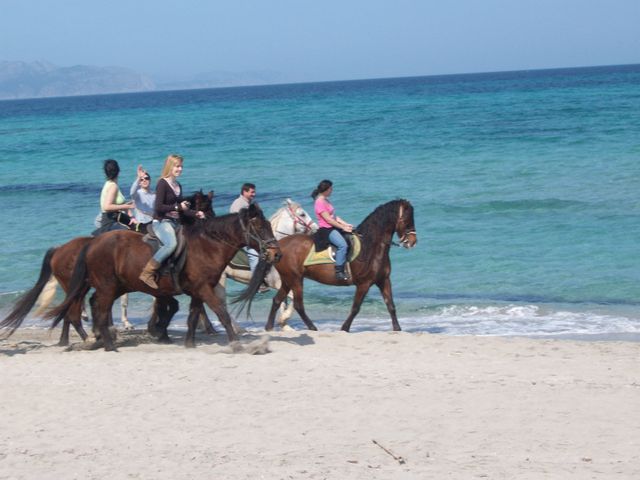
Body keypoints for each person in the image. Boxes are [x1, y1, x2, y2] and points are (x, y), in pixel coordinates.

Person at [139, 154, 204, 289]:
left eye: (181, 166)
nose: (180, 169)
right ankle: (147, 272)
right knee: (171, 244)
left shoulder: (177, 185)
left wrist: (195, 213)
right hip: (161, 222)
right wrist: (177, 207)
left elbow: (182, 209)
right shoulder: (162, 183)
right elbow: (158, 207)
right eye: (177, 166)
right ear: (170, 167)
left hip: (175, 222)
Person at [312, 179, 354, 281]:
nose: (332, 190)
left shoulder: (326, 200)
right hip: (327, 229)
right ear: (326, 189)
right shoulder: (319, 202)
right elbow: (329, 220)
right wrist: (343, 227)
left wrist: (346, 224)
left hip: (333, 226)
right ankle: (339, 271)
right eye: (331, 188)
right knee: (342, 245)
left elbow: (335, 217)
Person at [95, 159, 137, 234]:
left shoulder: (109, 183)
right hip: (110, 221)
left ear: (105, 173)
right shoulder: (113, 186)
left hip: (116, 218)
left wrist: (131, 217)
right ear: (118, 171)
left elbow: (120, 205)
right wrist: (126, 206)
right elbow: (107, 207)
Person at [229, 183, 259, 274]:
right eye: (252, 192)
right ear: (244, 192)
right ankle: (257, 279)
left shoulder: (247, 203)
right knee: (254, 256)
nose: (254, 194)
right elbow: (235, 222)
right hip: (240, 236)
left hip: (248, 234)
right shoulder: (239, 203)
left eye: (254, 192)